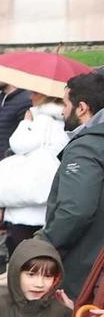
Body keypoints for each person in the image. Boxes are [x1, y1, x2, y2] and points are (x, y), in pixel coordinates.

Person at [41, 72, 104, 299]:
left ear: (82, 108)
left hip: (85, 265)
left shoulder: (86, 148)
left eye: (65, 103)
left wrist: (45, 243)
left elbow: (76, 210)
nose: (62, 110)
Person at [0, 101, 68, 257]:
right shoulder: (64, 121)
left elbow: (18, 144)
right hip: (47, 202)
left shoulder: (39, 117)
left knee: (23, 254)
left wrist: (25, 122)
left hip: (23, 201)